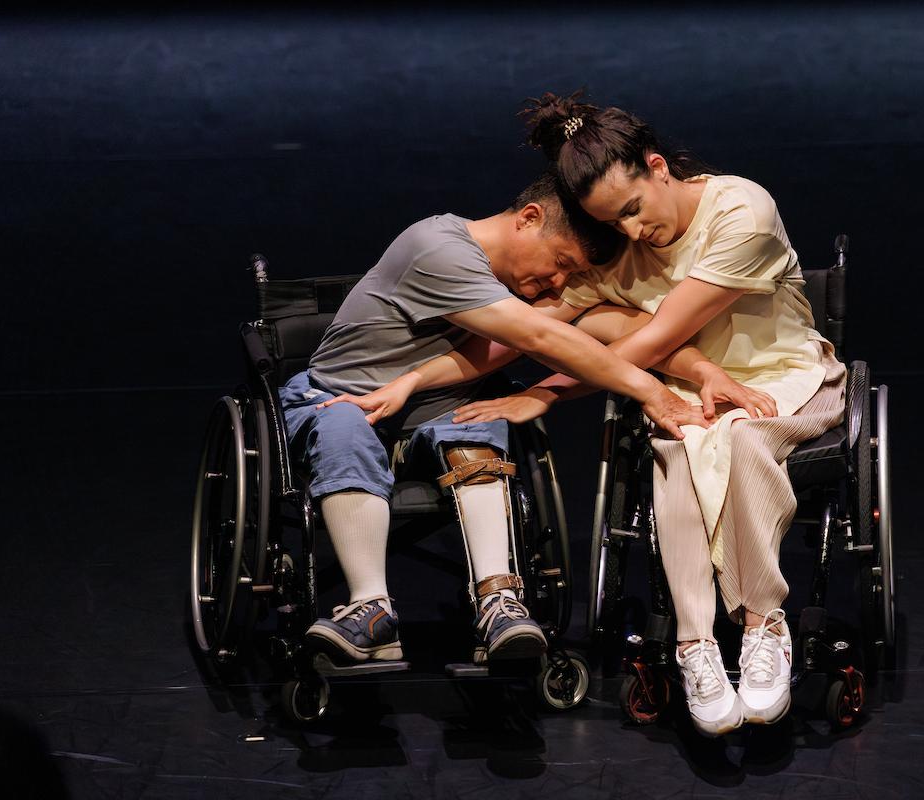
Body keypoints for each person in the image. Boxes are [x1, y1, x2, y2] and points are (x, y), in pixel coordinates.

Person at [362, 94, 846, 736]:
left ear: (658, 167)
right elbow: (520, 333)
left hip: (784, 378)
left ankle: (764, 624)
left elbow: (654, 337)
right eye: (613, 225)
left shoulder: (743, 212)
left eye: (634, 210)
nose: (633, 235)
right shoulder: (620, 250)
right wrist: (417, 377)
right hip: (682, 392)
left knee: (743, 442)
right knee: (676, 451)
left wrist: (547, 393)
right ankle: (696, 644)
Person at [281, 173, 710, 668]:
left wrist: (704, 370)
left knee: (476, 420)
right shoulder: (437, 247)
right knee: (343, 424)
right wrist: (650, 390)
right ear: (529, 219)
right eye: (560, 263)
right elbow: (542, 339)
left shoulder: (509, 288)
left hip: (436, 410)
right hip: (344, 400)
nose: (558, 282)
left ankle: (498, 603)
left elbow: (625, 326)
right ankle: (369, 608)